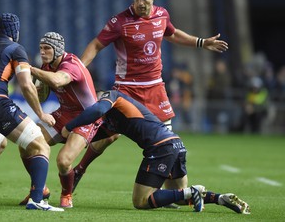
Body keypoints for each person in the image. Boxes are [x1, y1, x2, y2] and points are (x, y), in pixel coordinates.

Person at [72, 0, 229, 190]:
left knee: (166, 140)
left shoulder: (162, 15)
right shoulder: (120, 22)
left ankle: (171, 192)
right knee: (110, 135)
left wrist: (200, 42)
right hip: (126, 89)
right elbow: (96, 45)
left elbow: (172, 34)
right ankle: (79, 169)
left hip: (155, 88)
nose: (141, 3)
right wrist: (76, 69)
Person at [62, 90, 250, 214]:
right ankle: (219, 198)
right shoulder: (114, 120)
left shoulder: (111, 96)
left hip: (160, 147)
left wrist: (69, 126)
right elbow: (95, 136)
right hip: (175, 144)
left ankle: (192, 191)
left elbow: (97, 109)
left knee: (141, 201)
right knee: (180, 196)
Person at [0, 13, 63, 211]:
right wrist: (40, 114)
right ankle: (38, 199)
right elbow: (25, 84)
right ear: (15, 30)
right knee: (40, 145)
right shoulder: (15, 48)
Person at [18, 32, 99, 208]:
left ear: (58, 50)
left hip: (86, 117)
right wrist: (30, 87)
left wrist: (29, 69)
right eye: (41, 48)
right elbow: (42, 96)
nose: (42, 52)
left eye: (47, 48)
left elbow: (56, 81)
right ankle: (39, 189)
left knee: (63, 161)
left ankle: (66, 194)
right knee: (26, 142)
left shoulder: (72, 64)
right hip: (64, 113)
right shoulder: (46, 66)